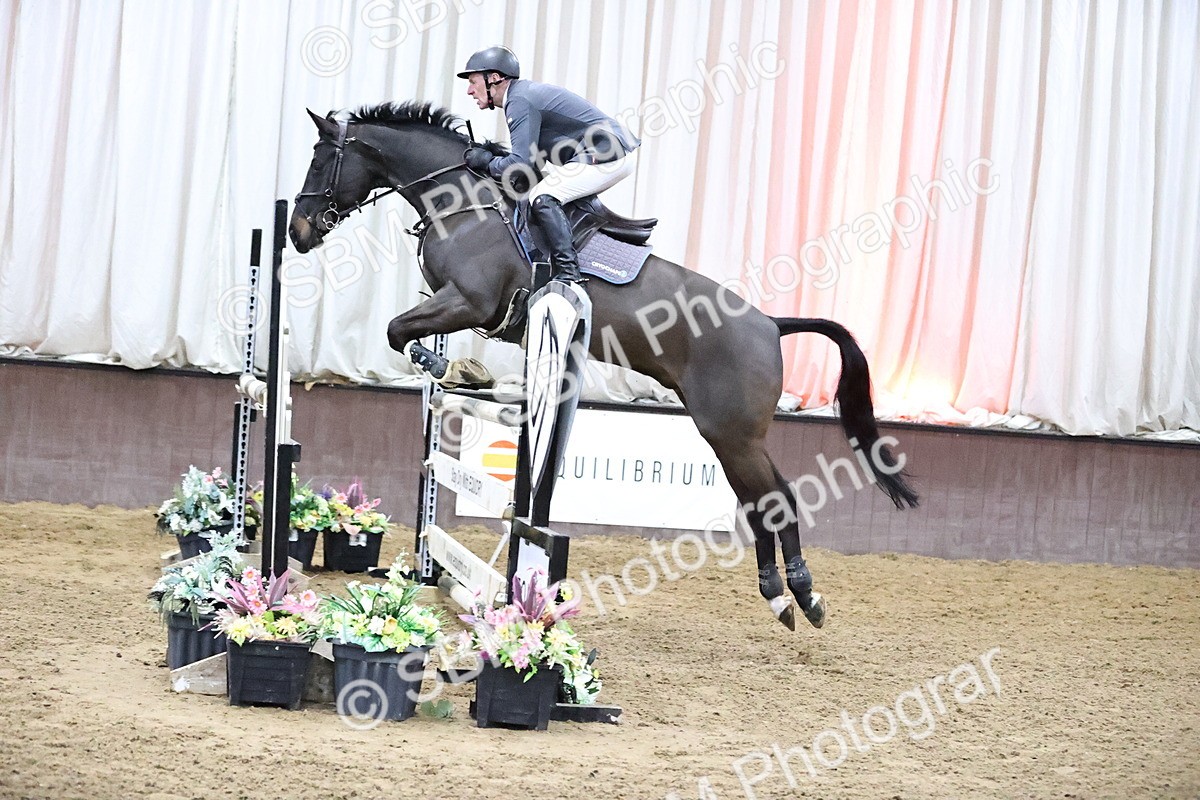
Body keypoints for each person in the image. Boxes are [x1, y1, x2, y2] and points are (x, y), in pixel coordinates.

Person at [458, 46, 640, 284]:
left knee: (543, 196)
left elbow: (520, 163)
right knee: (542, 189)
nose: (470, 90)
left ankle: (568, 274)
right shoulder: (521, 96)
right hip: (606, 151)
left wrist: (487, 161)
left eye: (473, 82)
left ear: (494, 78)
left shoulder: (519, 101)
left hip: (609, 153)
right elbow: (531, 163)